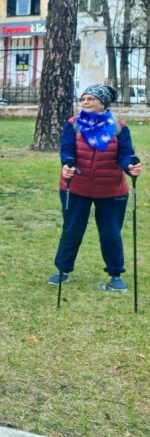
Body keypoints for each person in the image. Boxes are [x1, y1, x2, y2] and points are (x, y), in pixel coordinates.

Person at [49, 84, 142, 292]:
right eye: (83, 98)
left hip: (111, 190)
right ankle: (63, 270)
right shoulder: (73, 124)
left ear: (103, 103)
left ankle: (116, 274)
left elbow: (125, 154)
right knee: (72, 230)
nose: (85, 102)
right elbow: (67, 149)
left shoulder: (119, 127)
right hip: (75, 187)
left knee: (111, 233)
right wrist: (67, 164)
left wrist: (131, 166)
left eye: (91, 98)